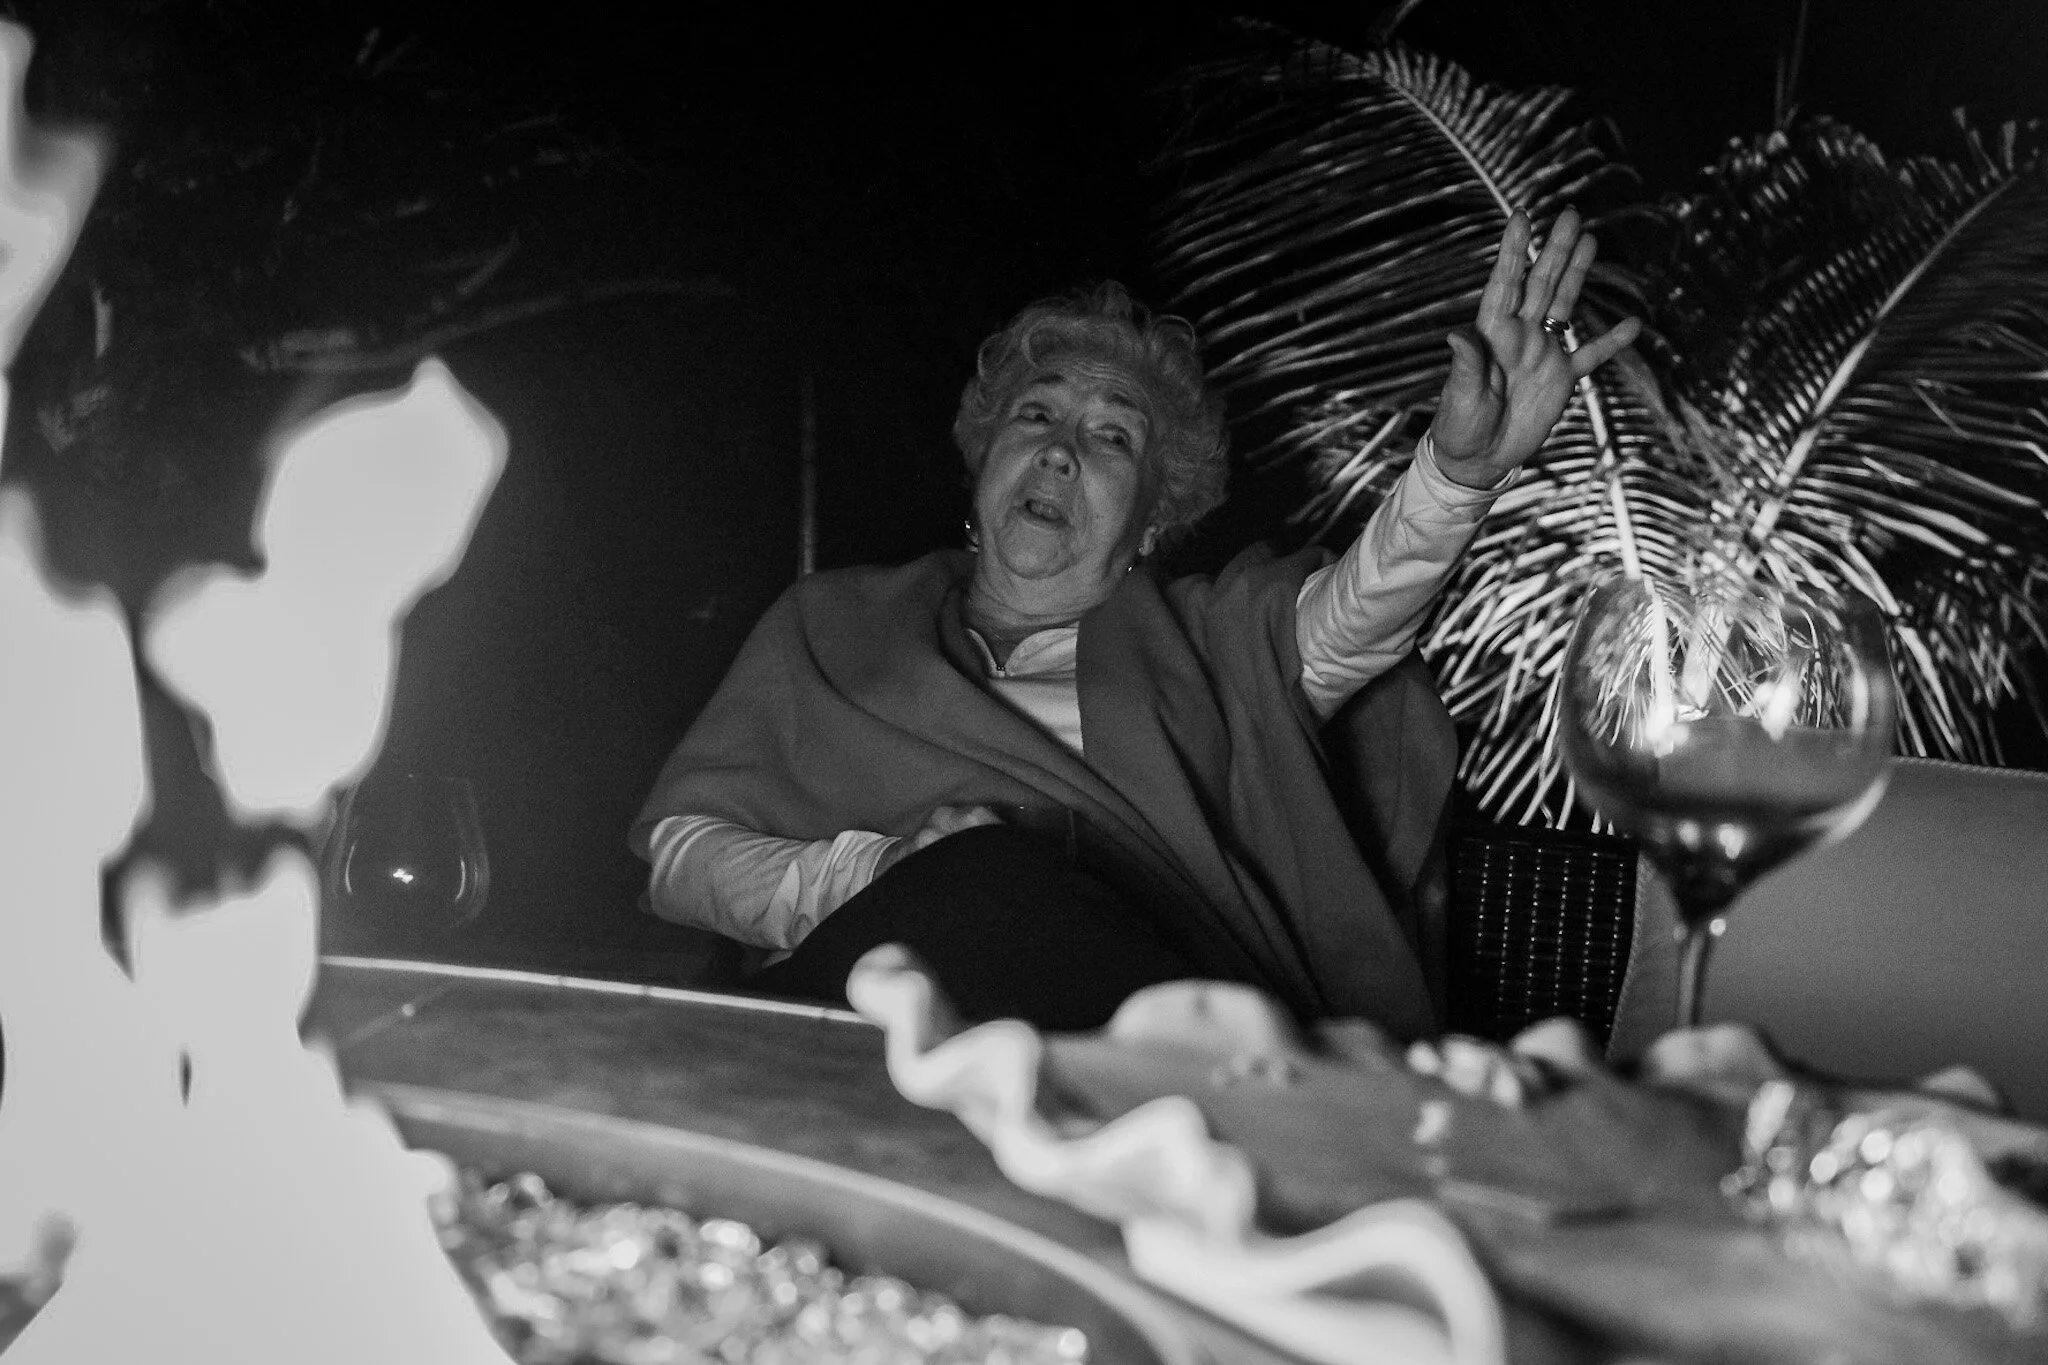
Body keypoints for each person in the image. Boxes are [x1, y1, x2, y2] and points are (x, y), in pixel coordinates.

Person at [631, 210, 1640, 1035]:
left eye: (1110, 435)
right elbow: (680, 858)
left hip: (1132, 1045)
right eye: (1036, 415)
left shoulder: (1208, 642)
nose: (1062, 449)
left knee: (1000, 890)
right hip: (852, 1024)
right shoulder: (831, 621)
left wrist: (1457, 474)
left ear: (1154, 517)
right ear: (984, 458)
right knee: (972, 882)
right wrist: (860, 875)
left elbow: (1356, 614)